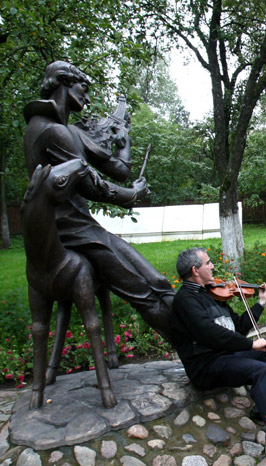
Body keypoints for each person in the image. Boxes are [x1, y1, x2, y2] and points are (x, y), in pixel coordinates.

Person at [23, 61, 174, 340]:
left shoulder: (68, 131)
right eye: (84, 88)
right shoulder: (50, 131)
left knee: (158, 282)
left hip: (82, 227)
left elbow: (119, 169)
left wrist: (124, 143)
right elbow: (93, 186)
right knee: (146, 289)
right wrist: (132, 195)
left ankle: (205, 343)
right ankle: (196, 352)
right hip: (69, 232)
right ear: (64, 83)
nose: (88, 97)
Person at [170, 247, 266, 455]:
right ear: (195, 270)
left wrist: (261, 302)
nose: (213, 266)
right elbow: (210, 334)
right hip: (206, 365)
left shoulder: (213, 296)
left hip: (226, 356)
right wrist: (251, 345)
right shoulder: (185, 300)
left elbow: (240, 327)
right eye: (208, 263)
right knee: (260, 370)